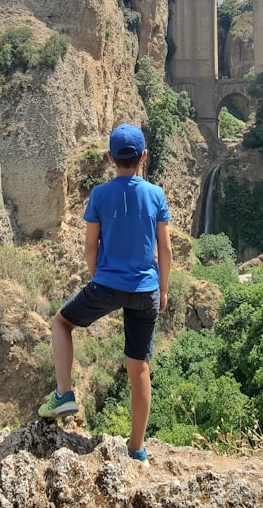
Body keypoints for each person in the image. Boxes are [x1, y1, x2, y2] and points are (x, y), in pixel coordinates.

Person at [38, 123, 172, 466]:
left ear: (110, 157)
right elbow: (166, 250)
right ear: (144, 157)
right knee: (138, 367)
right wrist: (164, 290)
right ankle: (137, 448)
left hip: (108, 285)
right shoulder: (156, 194)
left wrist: (99, 277)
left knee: (61, 323)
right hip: (146, 290)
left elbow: (89, 246)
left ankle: (65, 394)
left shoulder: (99, 195)